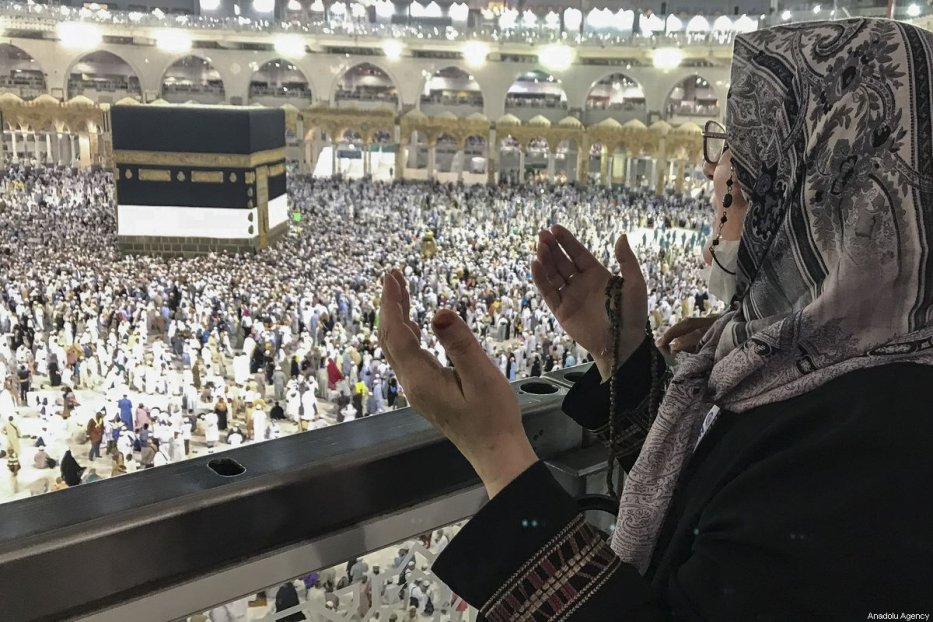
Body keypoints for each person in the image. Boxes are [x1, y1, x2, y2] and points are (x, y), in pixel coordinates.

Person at [378, 19, 933, 619]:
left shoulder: (873, 447)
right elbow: (724, 499)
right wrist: (621, 355)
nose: (713, 171)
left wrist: (496, 451)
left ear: (820, 188)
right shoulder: (838, 371)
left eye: (741, 150)